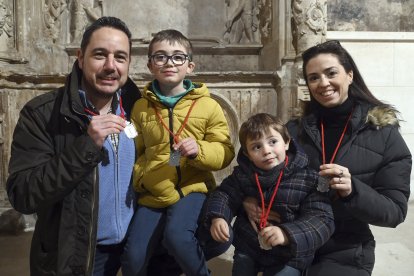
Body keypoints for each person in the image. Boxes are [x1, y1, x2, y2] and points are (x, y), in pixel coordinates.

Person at [259, 40, 410, 275]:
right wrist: (250, 203)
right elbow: (259, 172)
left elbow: (394, 212)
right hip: (291, 242)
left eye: (331, 73)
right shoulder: (293, 130)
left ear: (350, 75)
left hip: (344, 249)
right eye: (314, 77)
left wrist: (353, 190)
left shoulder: (383, 133)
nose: (323, 83)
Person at [6, 16, 141, 276]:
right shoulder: (43, 114)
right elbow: (23, 194)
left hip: (130, 253)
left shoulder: (139, 108)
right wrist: (86, 146)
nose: (110, 66)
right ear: (80, 58)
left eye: (120, 57)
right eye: (100, 55)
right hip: (77, 257)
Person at [123, 29, 235, 276]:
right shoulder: (141, 107)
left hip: (191, 187)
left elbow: (225, 151)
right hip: (154, 190)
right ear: (151, 65)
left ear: (190, 66)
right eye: (160, 57)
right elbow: (135, 149)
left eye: (177, 57)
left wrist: (199, 150)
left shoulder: (208, 106)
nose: (169, 63)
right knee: (133, 258)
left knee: (178, 237)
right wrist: (141, 175)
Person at [203, 113, 335, 276]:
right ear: (247, 154)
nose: (266, 151)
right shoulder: (242, 175)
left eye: (273, 142)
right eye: (256, 147)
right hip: (249, 245)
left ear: (286, 143)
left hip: (289, 255)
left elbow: (321, 219)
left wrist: (287, 234)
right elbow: (224, 195)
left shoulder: (308, 178)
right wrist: (218, 217)